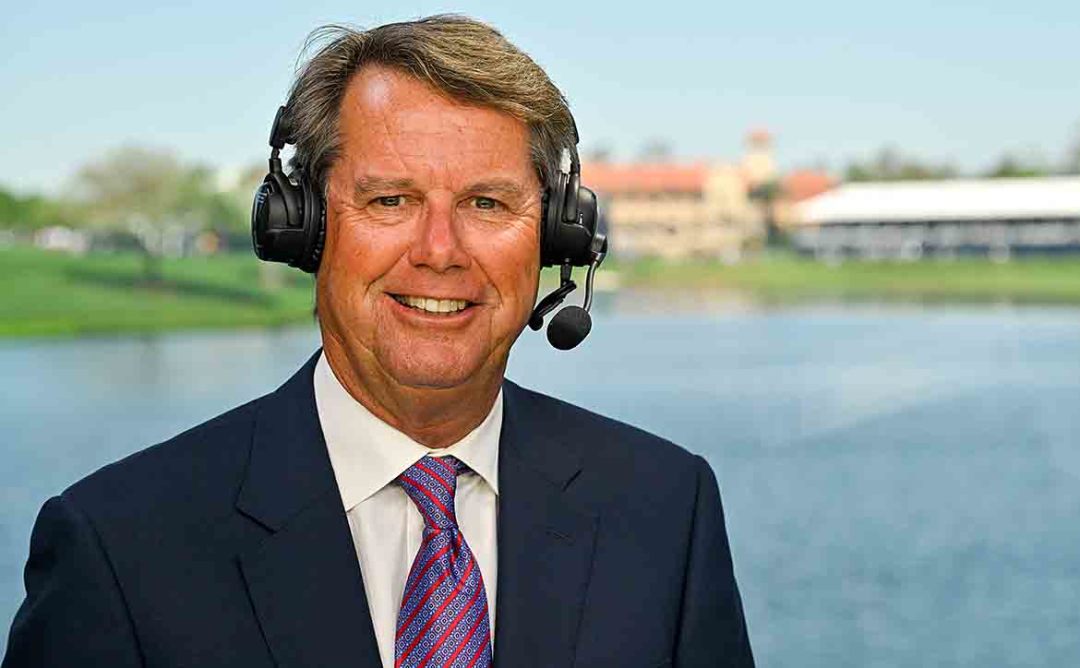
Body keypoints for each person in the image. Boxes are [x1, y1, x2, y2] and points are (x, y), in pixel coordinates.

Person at [2, 15, 754, 668]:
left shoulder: (666, 504)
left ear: (558, 237)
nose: (439, 250)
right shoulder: (115, 545)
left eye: (487, 203)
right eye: (389, 200)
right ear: (303, 227)